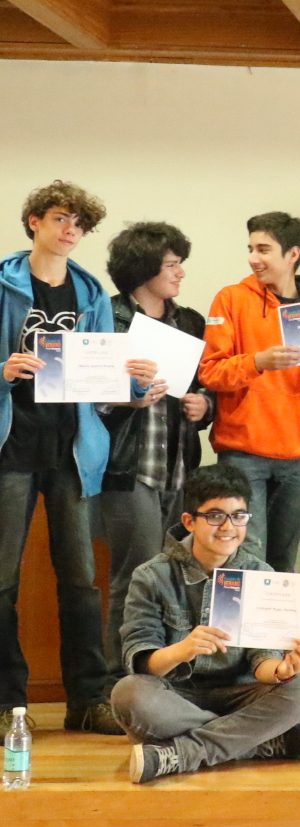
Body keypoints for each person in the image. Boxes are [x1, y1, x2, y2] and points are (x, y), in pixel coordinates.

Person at [1, 181, 151, 734]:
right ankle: (6, 703)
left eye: (80, 224)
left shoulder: (90, 294)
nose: (71, 231)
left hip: (71, 451)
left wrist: (137, 390)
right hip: (11, 448)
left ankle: (87, 700)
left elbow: (102, 387)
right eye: (62, 218)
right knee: (2, 580)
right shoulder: (3, 283)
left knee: (82, 579)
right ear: (35, 221)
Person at [112, 465, 300, 784]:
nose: (228, 527)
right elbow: (142, 662)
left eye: (239, 516)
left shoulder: (260, 573)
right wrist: (181, 650)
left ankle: (184, 753)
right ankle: (260, 740)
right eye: (215, 516)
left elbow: (262, 658)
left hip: (242, 693)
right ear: (189, 521)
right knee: (127, 694)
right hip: (176, 695)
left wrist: (280, 671)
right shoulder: (152, 576)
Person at [100, 221, 213, 699]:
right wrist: (126, 397)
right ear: (142, 270)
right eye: (171, 265)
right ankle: (117, 683)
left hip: (180, 469)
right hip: (128, 468)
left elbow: (206, 389)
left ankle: (165, 679)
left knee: (176, 576)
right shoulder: (105, 317)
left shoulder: (189, 322)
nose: (181, 273)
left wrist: (205, 406)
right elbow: (83, 394)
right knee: (134, 575)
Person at [198, 212, 300, 572]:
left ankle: (278, 631)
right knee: (246, 559)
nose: (253, 257)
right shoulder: (231, 299)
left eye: (263, 249)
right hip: (244, 453)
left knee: (283, 560)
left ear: (293, 254)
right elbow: (210, 372)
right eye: (250, 248)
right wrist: (256, 362)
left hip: (297, 455)